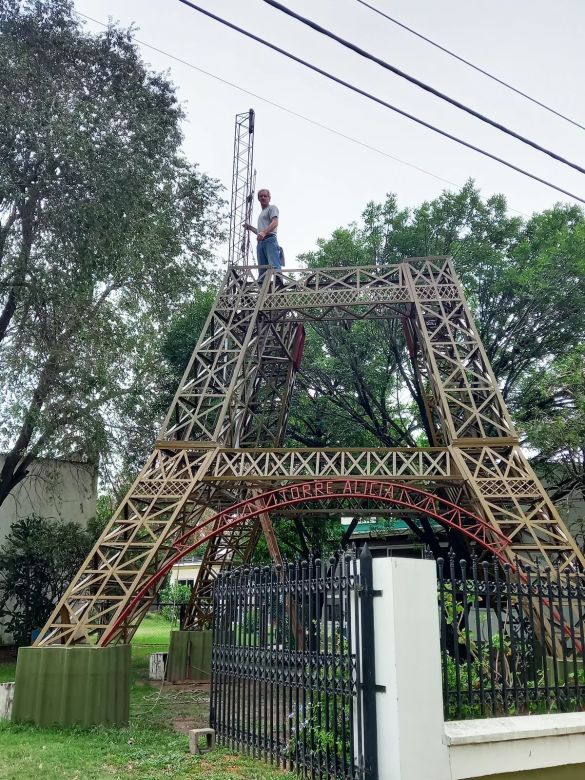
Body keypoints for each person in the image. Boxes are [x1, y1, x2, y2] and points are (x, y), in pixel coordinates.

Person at [245, 189, 282, 284]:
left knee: (274, 265)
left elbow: (275, 223)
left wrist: (264, 233)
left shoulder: (272, 208)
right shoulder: (261, 213)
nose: (263, 197)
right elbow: (259, 232)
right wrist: (250, 228)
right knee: (262, 269)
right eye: (261, 196)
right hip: (261, 242)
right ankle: (262, 288)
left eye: (265, 196)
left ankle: (279, 287)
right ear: (258, 199)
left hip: (269, 240)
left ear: (269, 198)